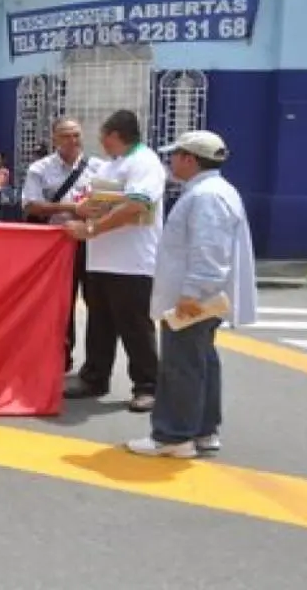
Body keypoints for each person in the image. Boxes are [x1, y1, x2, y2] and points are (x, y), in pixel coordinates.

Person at [126, 131, 256, 458]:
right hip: (203, 297)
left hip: (194, 298)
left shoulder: (206, 197)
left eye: (175, 155)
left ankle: (173, 436)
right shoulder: (215, 191)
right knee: (201, 362)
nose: (170, 161)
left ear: (189, 159)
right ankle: (203, 430)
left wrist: (192, 293)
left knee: (181, 365)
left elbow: (209, 251)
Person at [64, 110, 165, 412]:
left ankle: (147, 385)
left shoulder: (144, 162)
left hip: (131, 261)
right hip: (102, 259)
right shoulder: (113, 165)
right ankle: (95, 376)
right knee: (99, 323)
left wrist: (92, 229)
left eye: (103, 137)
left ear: (114, 135)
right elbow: (104, 200)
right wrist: (85, 209)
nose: (101, 142)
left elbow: (138, 204)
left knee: (135, 325)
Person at [21, 118, 104, 373]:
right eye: (66, 136)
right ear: (55, 138)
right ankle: (60, 357)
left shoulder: (100, 168)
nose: (72, 141)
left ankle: (96, 366)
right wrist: (72, 208)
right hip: (56, 244)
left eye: (76, 135)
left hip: (92, 243)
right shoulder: (40, 169)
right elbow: (30, 204)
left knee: (98, 304)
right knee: (59, 303)